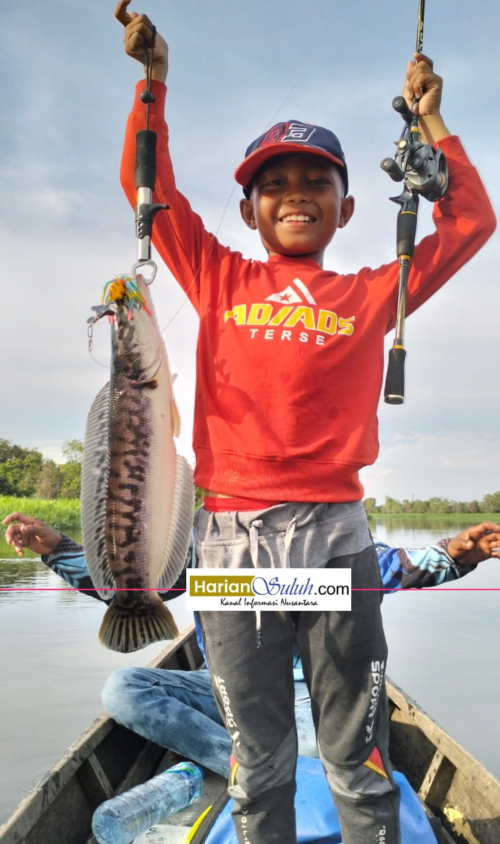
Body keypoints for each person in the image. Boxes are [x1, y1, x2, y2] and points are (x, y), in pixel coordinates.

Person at [113, 3, 496, 842]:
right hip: (228, 545)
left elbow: (470, 222)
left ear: (347, 207)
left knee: (357, 763)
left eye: (316, 182)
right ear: (249, 210)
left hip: (338, 542)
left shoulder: (370, 293)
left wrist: (433, 118)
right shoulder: (218, 279)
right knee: (260, 764)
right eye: (274, 185)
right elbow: (150, 191)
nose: (296, 195)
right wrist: (155, 83)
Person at [4, 511, 500, 780]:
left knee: (325, 762)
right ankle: (242, 766)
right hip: (223, 687)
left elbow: (393, 567)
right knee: (123, 689)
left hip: (307, 696)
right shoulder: (206, 533)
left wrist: (455, 554)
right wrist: (60, 550)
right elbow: (133, 588)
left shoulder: (329, 524)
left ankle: (269, 766)